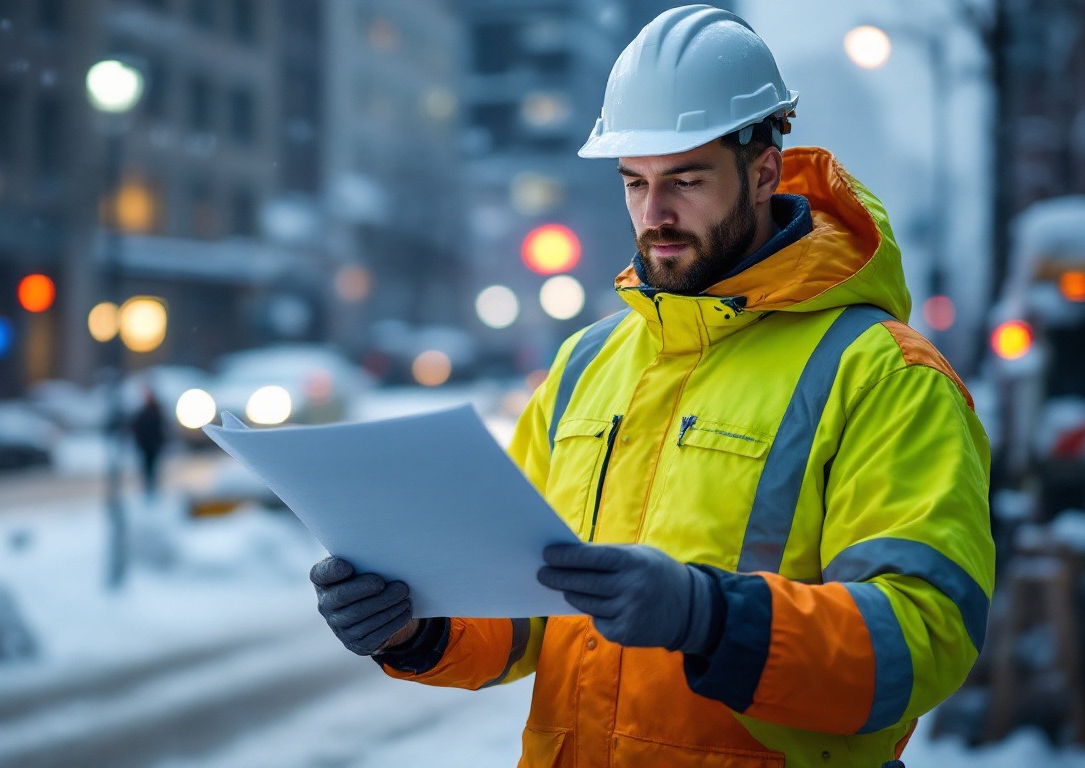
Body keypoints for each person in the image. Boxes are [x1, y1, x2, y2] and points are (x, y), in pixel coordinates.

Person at [310, 6, 994, 766]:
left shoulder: (881, 373)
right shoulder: (584, 367)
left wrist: (711, 618)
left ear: (764, 169)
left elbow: (926, 638)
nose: (655, 214)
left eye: (686, 180)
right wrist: (417, 624)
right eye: (634, 182)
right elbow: (522, 607)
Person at [130, 385, 166, 498]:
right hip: (146, 445)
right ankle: (149, 488)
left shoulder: (155, 410)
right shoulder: (145, 411)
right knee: (147, 467)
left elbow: (160, 428)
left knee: (152, 467)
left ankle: (152, 488)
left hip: (152, 445)